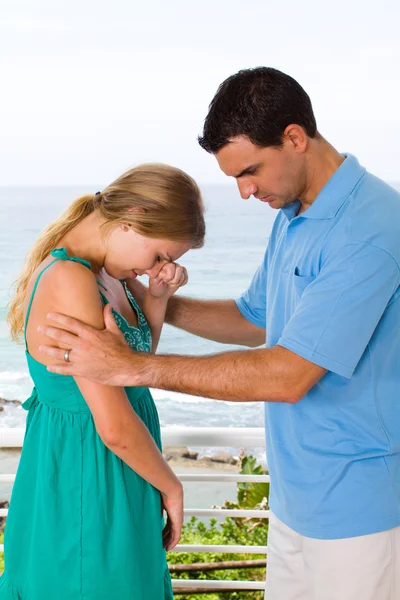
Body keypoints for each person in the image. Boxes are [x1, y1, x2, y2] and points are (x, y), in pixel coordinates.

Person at [39, 67, 400, 600]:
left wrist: (133, 366)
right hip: (295, 499)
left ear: (295, 138)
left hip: (361, 511)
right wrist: (159, 298)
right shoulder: (296, 213)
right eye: (234, 177)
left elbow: (289, 375)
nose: (244, 191)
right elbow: (255, 320)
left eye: (250, 171)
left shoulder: (370, 228)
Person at [1, 163, 205, 599]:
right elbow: (112, 424)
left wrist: (157, 296)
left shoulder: (108, 273)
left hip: (119, 471)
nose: (163, 267)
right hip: (89, 480)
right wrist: (171, 485)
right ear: (130, 219)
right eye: (160, 256)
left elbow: (133, 364)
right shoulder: (72, 279)